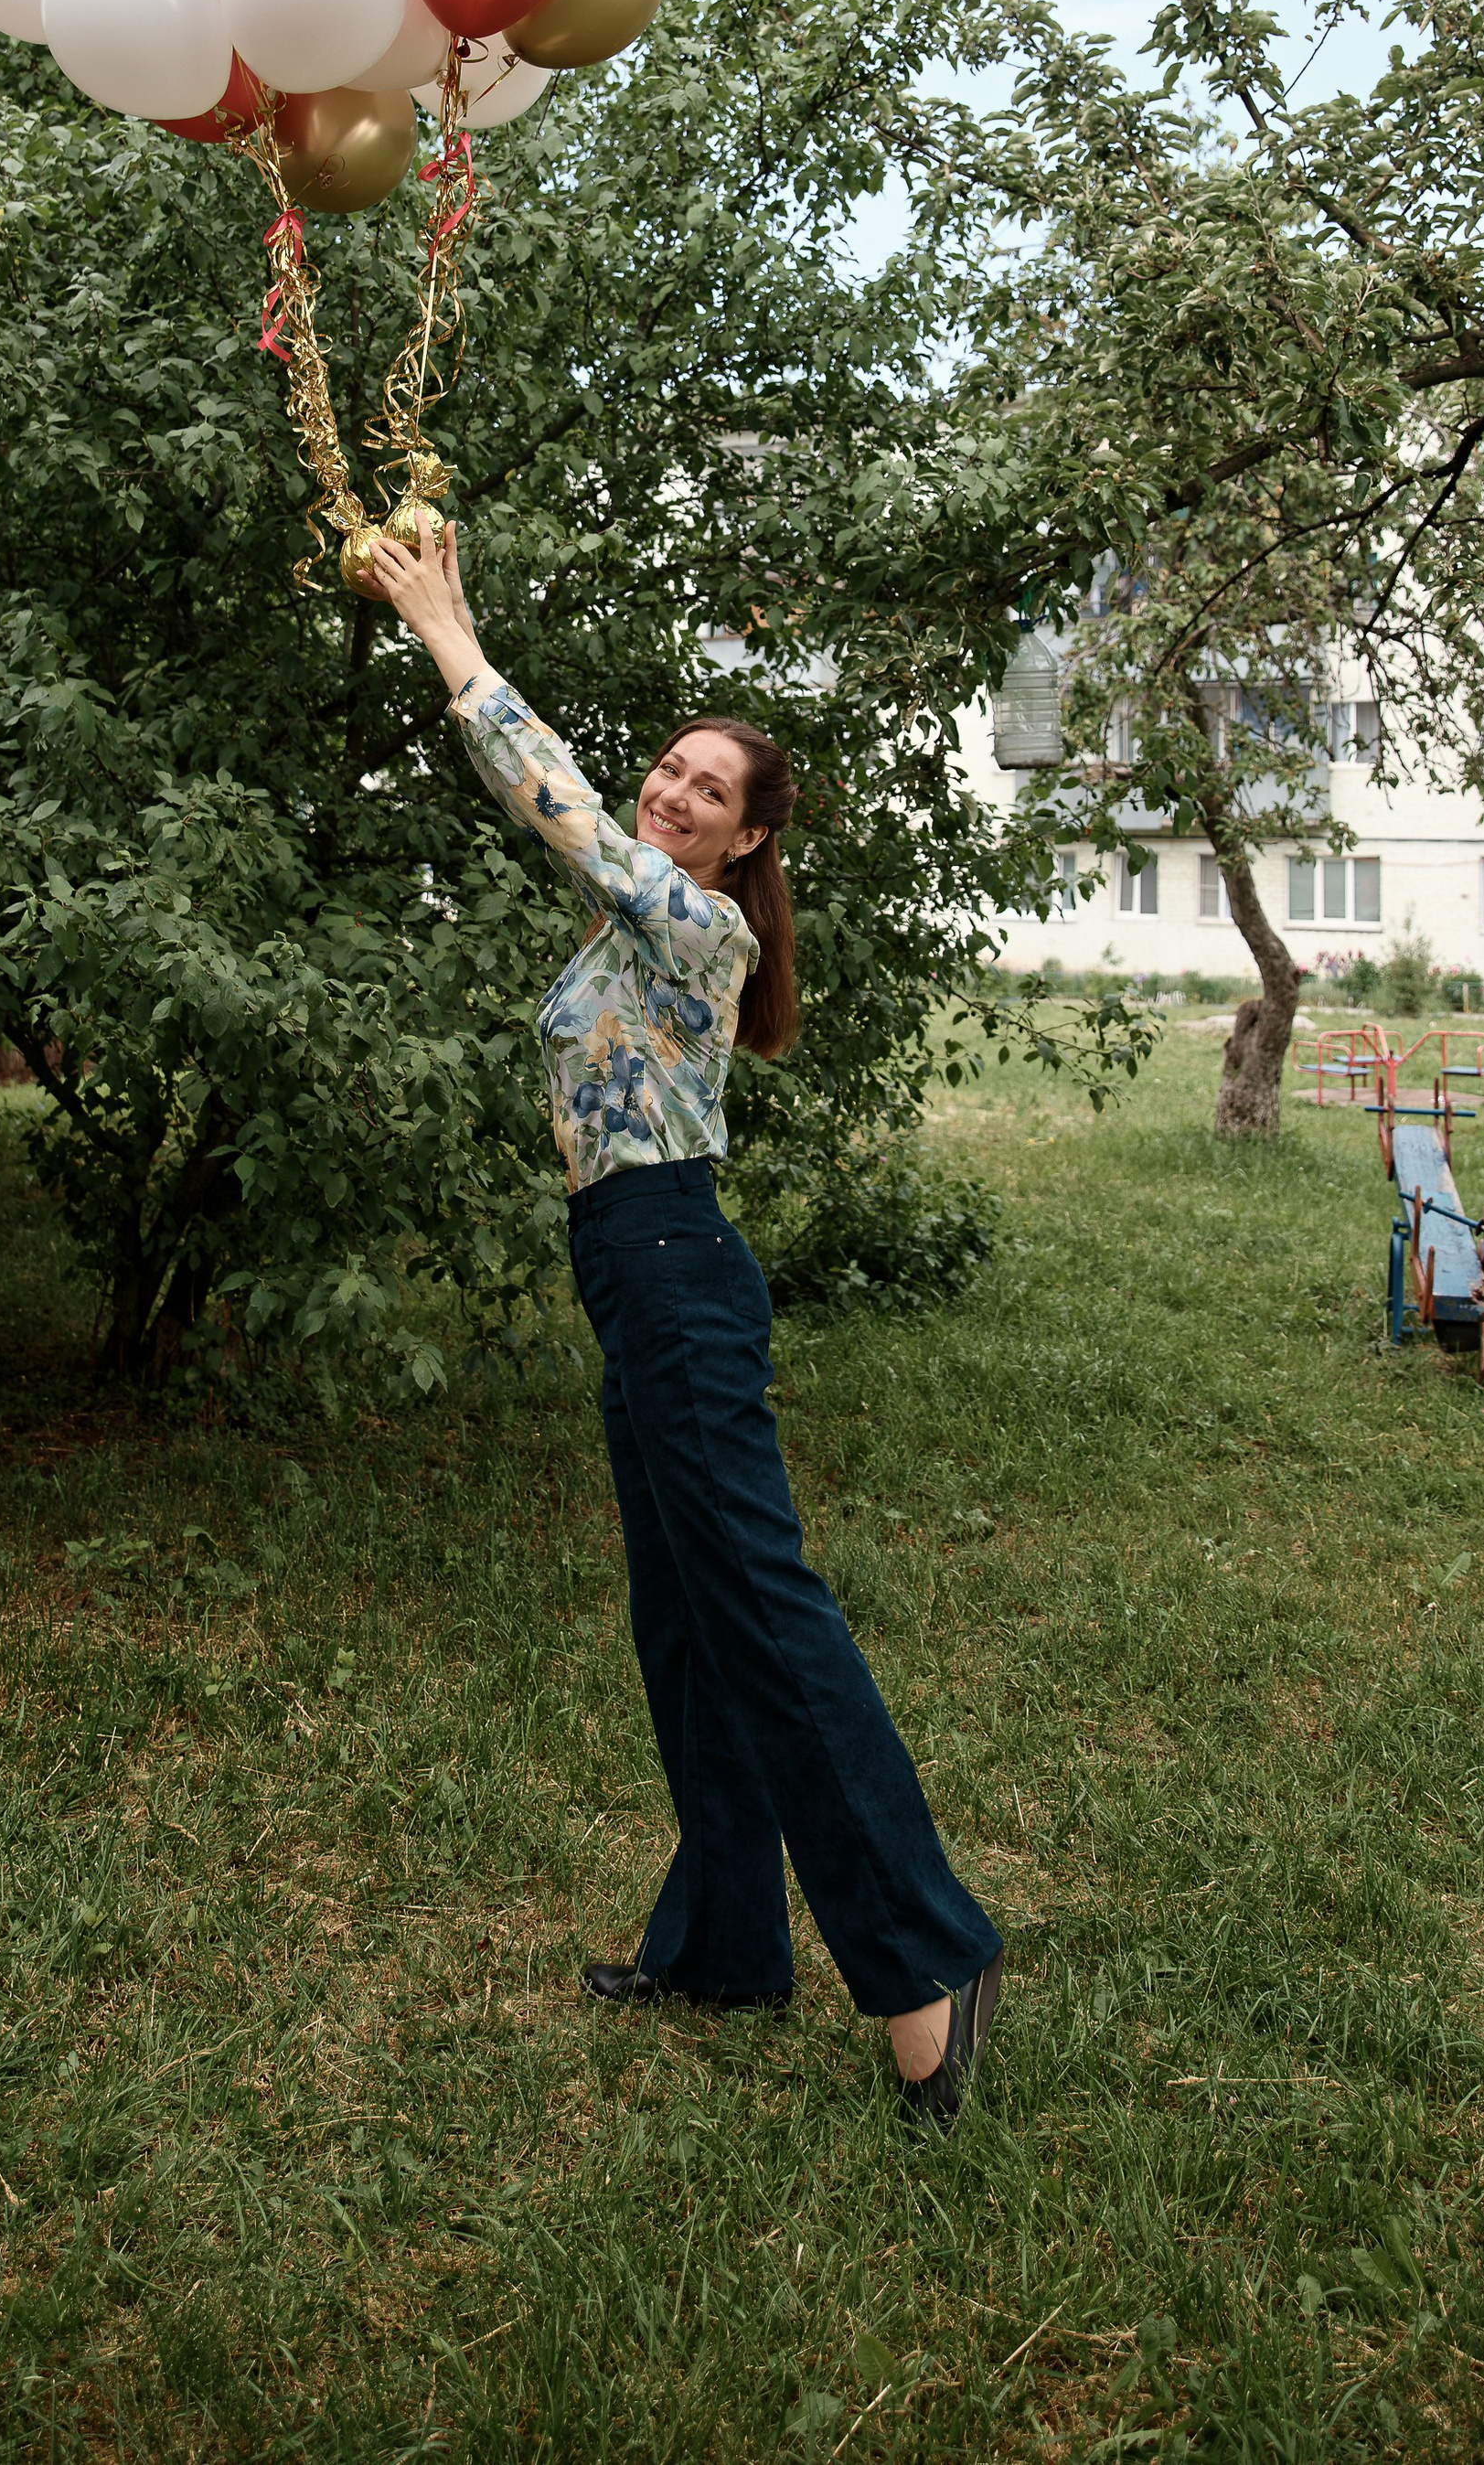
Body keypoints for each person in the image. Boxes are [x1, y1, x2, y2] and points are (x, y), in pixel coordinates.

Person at [366, 517, 1005, 2133]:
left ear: (740, 846)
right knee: (687, 1620)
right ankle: (726, 1940)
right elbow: (590, 825)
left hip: (671, 1264)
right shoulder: (641, 926)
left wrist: (447, 627)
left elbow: (556, 804)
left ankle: (929, 1964)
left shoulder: (691, 924)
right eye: (669, 769)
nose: (668, 792)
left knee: (767, 1615)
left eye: (704, 791)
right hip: (632, 1266)